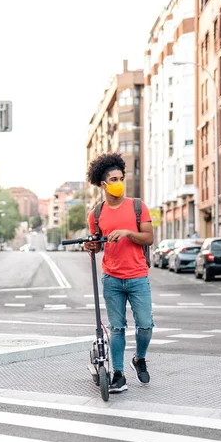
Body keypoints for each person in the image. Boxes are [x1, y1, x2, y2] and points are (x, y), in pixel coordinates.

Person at [85, 153, 154, 393]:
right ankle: (118, 373)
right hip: (111, 278)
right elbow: (96, 243)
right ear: (104, 184)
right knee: (117, 328)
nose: (119, 182)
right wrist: (91, 246)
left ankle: (139, 358)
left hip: (137, 276)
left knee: (145, 325)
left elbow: (149, 237)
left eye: (121, 178)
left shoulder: (138, 207)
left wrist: (127, 232)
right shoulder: (96, 214)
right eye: (114, 179)